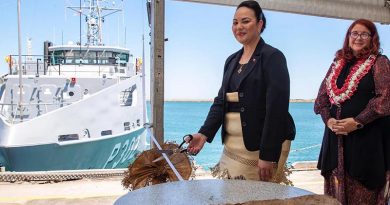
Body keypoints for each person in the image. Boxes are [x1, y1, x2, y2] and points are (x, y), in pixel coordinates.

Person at [187, 0, 295, 182]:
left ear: (260, 24)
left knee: (258, 199)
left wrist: (267, 155)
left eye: (245, 21)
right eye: (235, 22)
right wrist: (204, 133)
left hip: (261, 149)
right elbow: (221, 101)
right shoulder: (231, 60)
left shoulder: (273, 57)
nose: (239, 27)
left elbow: (277, 109)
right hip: (233, 146)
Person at [314, 19, 390, 204]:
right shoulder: (337, 64)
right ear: (348, 37)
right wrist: (329, 121)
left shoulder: (379, 62)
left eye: (364, 34)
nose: (358, 37)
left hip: (366, 141)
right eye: (354, 33)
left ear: (373, 38)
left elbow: (385, 100)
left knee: (364, 194)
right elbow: (322, 99)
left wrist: (357, 122)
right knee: (334, 197)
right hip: (335, 141)